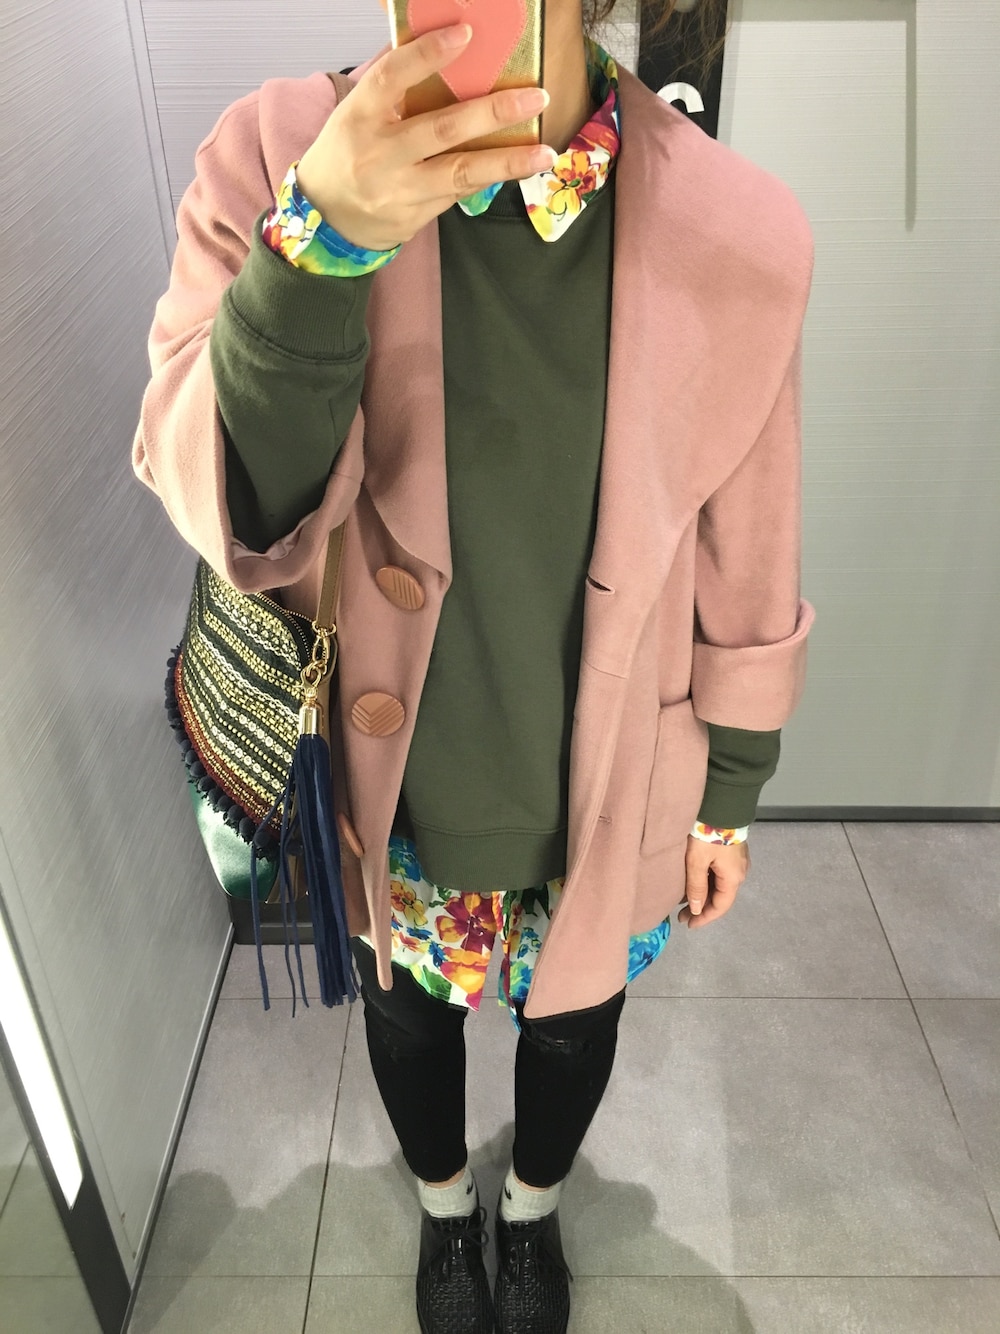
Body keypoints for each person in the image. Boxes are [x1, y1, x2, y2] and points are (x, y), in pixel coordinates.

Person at [133, 1, 815, 1330]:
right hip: (400, 773)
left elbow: (753, 530)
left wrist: (733, 787)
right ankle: (447, 1210)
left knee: (575, 1021)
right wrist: (321, 241)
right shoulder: (274, 153)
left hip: (616, 767)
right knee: (408, 1015)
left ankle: (533, 1208)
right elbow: (228, 499)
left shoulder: (734, 223)